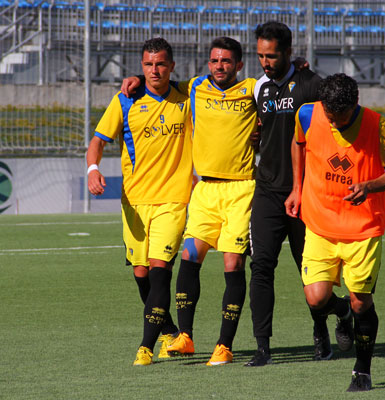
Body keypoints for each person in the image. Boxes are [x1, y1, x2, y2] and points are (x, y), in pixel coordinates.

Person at [121, 37, 256, 366]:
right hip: (206, 189)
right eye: (213, 61)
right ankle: (185, 335)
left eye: (225, 61)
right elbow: (160, 80)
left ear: (239, 65)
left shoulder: (253, 89)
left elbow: (285, 91)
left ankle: (224, 345)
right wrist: (137, 80)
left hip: (241, 188)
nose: (219, 66)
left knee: (232, 264)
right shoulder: (195, 87)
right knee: (189, 255)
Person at [285, 73, 385, 391]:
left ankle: (362, 370)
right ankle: (341, 314)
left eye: (340, 116)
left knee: (360, 302)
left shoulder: (376, 125)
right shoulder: (308, 114)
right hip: (320, 224)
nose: (335, 123)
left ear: (354, 104)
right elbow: (298, 145)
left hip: (363, 229)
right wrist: (297, 188)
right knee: (316, 299)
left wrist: (369, 186)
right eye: (330, 115)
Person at [245, 21, 354, 367]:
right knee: (261, 266)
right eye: (261, 55)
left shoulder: (313, 86)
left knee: (310, 274)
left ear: (289, 53)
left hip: (307, 195)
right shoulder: (259, 87)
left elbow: (333, 128)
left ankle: (327, 326)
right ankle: (263, 348)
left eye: (272, 56)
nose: (265, 62)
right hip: (267, 191)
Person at [86, 37, 193, 366]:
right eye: (148, 64)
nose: (154, 70)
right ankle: (173, 334)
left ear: (172, 66)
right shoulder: (126, 99)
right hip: (134, 202)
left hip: (173, 200)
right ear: (141, 66)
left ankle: (145, 347)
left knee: (161, 271)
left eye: (161, 63)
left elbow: (223, 86)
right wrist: (92, 169)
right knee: (142, 275)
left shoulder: (189, 96)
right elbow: (98, 141)